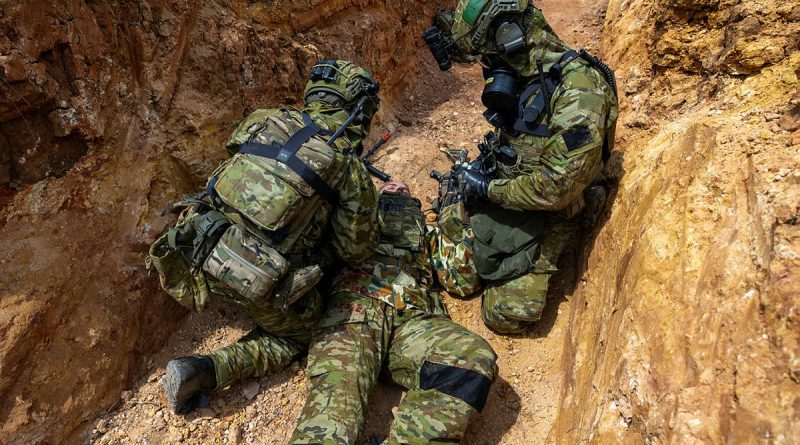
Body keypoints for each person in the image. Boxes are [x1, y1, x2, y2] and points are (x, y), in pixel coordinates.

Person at [147, 60, 381, 414]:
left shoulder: (264, 118)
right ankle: (204, 370)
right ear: (359, 109)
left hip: (199, 247)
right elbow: (355, 250)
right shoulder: (347, 164)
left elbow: (235, 161)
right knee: (301, 336)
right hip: (258, 282)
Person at [424, 1, 619, 333]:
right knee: (455, 275)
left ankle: (579, 211)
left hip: (551, 204)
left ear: (510, 36)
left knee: (504, 313)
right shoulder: (531, 69)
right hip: (515, 186)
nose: (487, 68)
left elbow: (557, 187)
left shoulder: (579, 93)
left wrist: (486, 189)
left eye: (488, 58)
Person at [289, 181, 498, 444]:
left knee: (471, 356)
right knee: (332, 421)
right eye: (389, 186)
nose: (397, 188)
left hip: (411, 324)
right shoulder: (352, 218)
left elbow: (463, 281)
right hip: (354, 312)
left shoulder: (428, 232)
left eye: (404, 189)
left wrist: (455, 221)